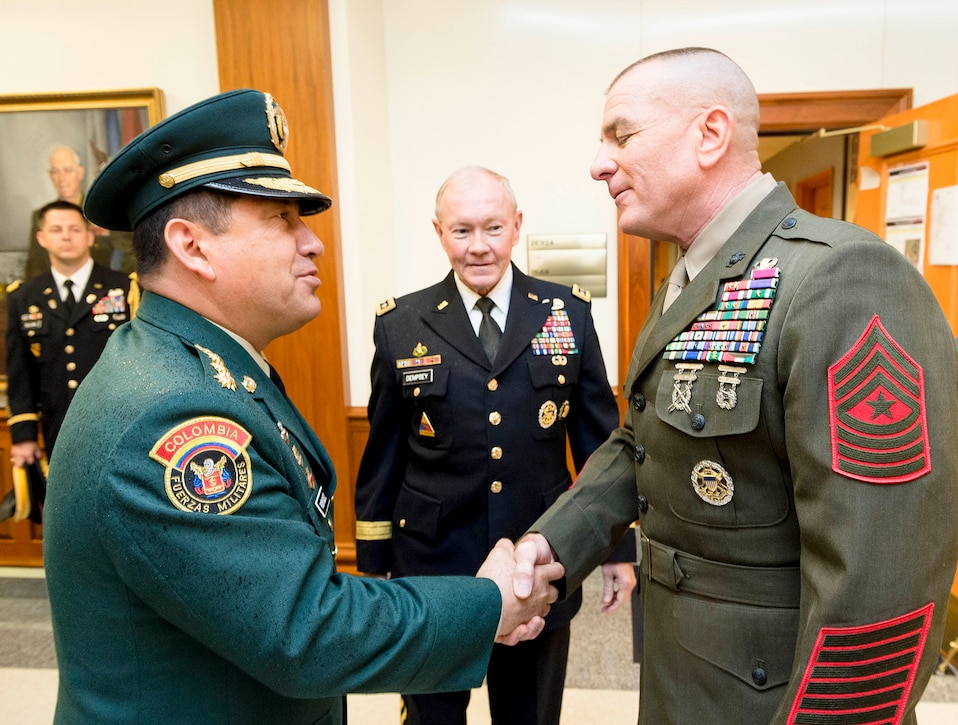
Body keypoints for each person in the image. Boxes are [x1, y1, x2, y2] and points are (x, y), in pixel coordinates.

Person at [42, 89, 562, 725]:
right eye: (282, 220)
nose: (312, 243)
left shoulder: (206, 367)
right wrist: (488, 604)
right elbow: (304, 629)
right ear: (193, 246)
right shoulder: (172, 413)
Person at [513, 47, 958, 724]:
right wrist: (550, 544)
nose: (599, 162)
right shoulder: (688, 279)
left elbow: (881, 578)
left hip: (774, 698)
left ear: (711, 134)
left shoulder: (842, 278)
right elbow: (640, 443)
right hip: (684, 674)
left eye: (621, 134)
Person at [354, 165, 635, 725]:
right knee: (432, 714)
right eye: (461, 231)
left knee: (529, 713)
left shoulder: (566, 313)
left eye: (492, 228)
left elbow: (602, 445)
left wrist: (617, 549)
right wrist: (373, 561)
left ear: (517, 226)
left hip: (540, 555)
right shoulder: (400, 323)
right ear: (439, 232)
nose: (478, 247)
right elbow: (383, 453)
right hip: (433, 565)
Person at [0, 200, 134, 521]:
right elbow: (20, 373)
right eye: (56, 230)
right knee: (69, 516)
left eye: (75, 229)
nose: (66, 236)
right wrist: (23, 435)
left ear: (89, 237)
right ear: (42, 238)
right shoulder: (24, 297)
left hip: (120, 423)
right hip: (58, 427)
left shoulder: (124, 288)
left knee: (122, 511)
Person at [25, 145, 135, 278]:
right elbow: (35, 266)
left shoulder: (100, 210)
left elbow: (129, 253)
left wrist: (119, 286)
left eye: (67, 170)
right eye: (55, 171)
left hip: (103, 289)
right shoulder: (40, 216)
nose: (61, 178)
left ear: (80, 173)